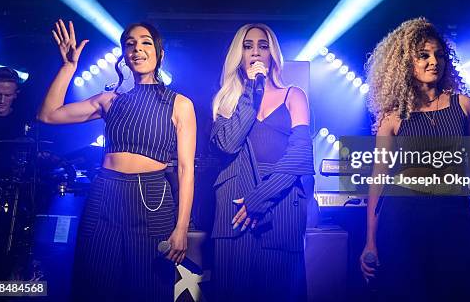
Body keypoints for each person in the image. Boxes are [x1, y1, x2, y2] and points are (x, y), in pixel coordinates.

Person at [37, 20, 196, 301]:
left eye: (145, 42)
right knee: (94, 287)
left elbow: (185, 170)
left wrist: (181, 227)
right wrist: (68, 67)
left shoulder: (179, 104)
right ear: (124, 54)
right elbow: (48, 115)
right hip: (105, 195)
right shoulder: (110, 100)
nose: (137, 48)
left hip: (153, 200)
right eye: (130, 43)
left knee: (148, 291)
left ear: (160, 52)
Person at [360, 18, 470, 301]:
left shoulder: (464, 105)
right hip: (403, 223)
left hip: (453, 220)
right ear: (405, 62)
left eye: (439, 55)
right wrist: (370, 241)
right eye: (424, 55)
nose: (434, 61)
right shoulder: (392, 117)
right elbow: (378, 181)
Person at [210, 23, 314, 301]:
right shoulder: (226, 102)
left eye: (263, 45)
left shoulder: (294, 96)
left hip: (279, 204)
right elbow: (228, 144)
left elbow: (301, 155)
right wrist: (250, 94)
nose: (255, 52)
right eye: (247, 46)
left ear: (273, 54)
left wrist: (259, 199)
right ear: (239, 56)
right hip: (235, 211)